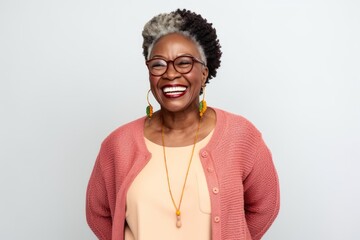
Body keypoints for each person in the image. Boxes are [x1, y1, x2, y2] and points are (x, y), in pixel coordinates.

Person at [86, 9, 280, 240]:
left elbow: (264, 207)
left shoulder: (241, 136)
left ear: (204, 72)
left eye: (184, 63)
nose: (170, 74)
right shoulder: (118, 144)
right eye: (159, 64)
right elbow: (98, 213)